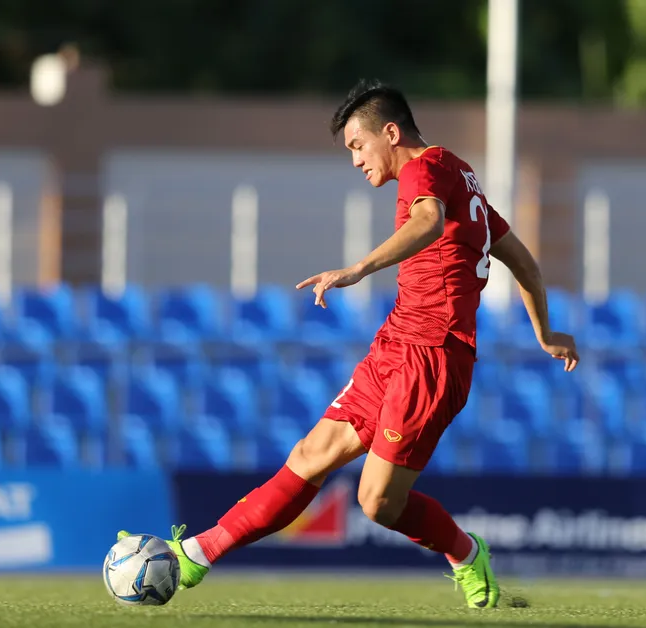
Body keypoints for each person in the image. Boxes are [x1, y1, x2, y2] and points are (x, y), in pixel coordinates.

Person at [119, 79, 579, 609]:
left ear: (391, 133)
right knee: (310, 455)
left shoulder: (425, 169)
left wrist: (358, 268)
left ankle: (466, 552)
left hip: (433, 356)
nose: (356, 160)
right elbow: (523, 262)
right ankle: (197, 554)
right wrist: (546, 333)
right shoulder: (460, 176)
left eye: (358, 145)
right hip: (395, 344)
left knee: (377, 502)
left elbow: (428, 222)